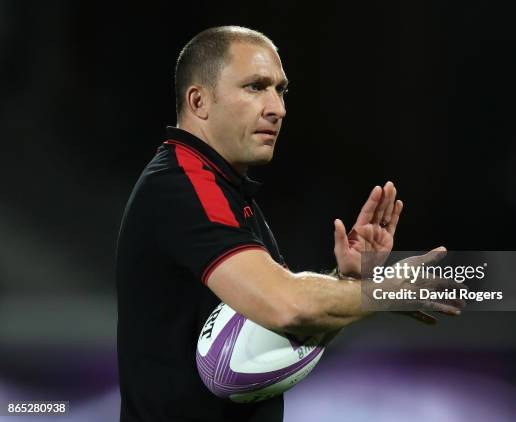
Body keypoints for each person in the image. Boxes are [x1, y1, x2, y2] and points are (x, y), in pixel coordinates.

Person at [115, 25, 464, 422]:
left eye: (280, 90)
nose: (277, 108)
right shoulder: (184, 186)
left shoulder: (225, 191)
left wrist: (348, 282)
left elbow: (272, 343)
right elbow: (287, 307)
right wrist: (382, 291)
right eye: (255, 87)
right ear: (199, 101)